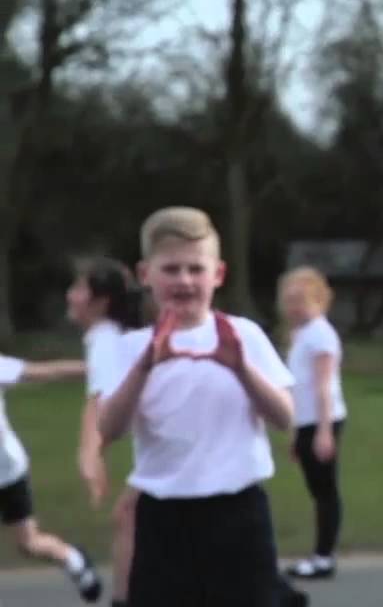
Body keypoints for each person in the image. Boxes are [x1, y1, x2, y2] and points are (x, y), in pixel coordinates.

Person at [97, 206, 296, 607]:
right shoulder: (129, 349)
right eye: (171, 269)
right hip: (164, 518)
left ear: (217, 274)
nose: (184, 281)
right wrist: (146, 367)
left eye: (195, 269)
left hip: (238, 513)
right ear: (145, 275)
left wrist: (241, 369)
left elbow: (283, 417)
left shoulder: (243, 336)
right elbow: (110, 427)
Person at [65, 255, 146, 607]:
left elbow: (101, 403)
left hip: (187, 440)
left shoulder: (104, 338)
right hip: (175, 441)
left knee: (128, 515)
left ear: (101, 302)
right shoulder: (108, 337)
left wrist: (90, 454)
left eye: (79, 288)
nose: (70, 295)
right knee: (134, 515)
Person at [0, 352, 103, 602]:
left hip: (7, 471)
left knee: (29, 543)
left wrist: (97, 368)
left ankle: (73, 560)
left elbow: (47, 371)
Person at [277, 266, 348, 580]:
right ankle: (320, 555)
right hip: (306, 422)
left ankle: (323, 558)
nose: (294, 307)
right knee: (317, 490)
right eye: (290, 301)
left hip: (323, 420)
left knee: (325, 491)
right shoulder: (301, 334)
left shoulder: (321, 334)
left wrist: (323, 432)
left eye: (301, 300)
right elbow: (296, 387)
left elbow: (323, 386)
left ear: (319, 300)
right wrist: (295, 433)